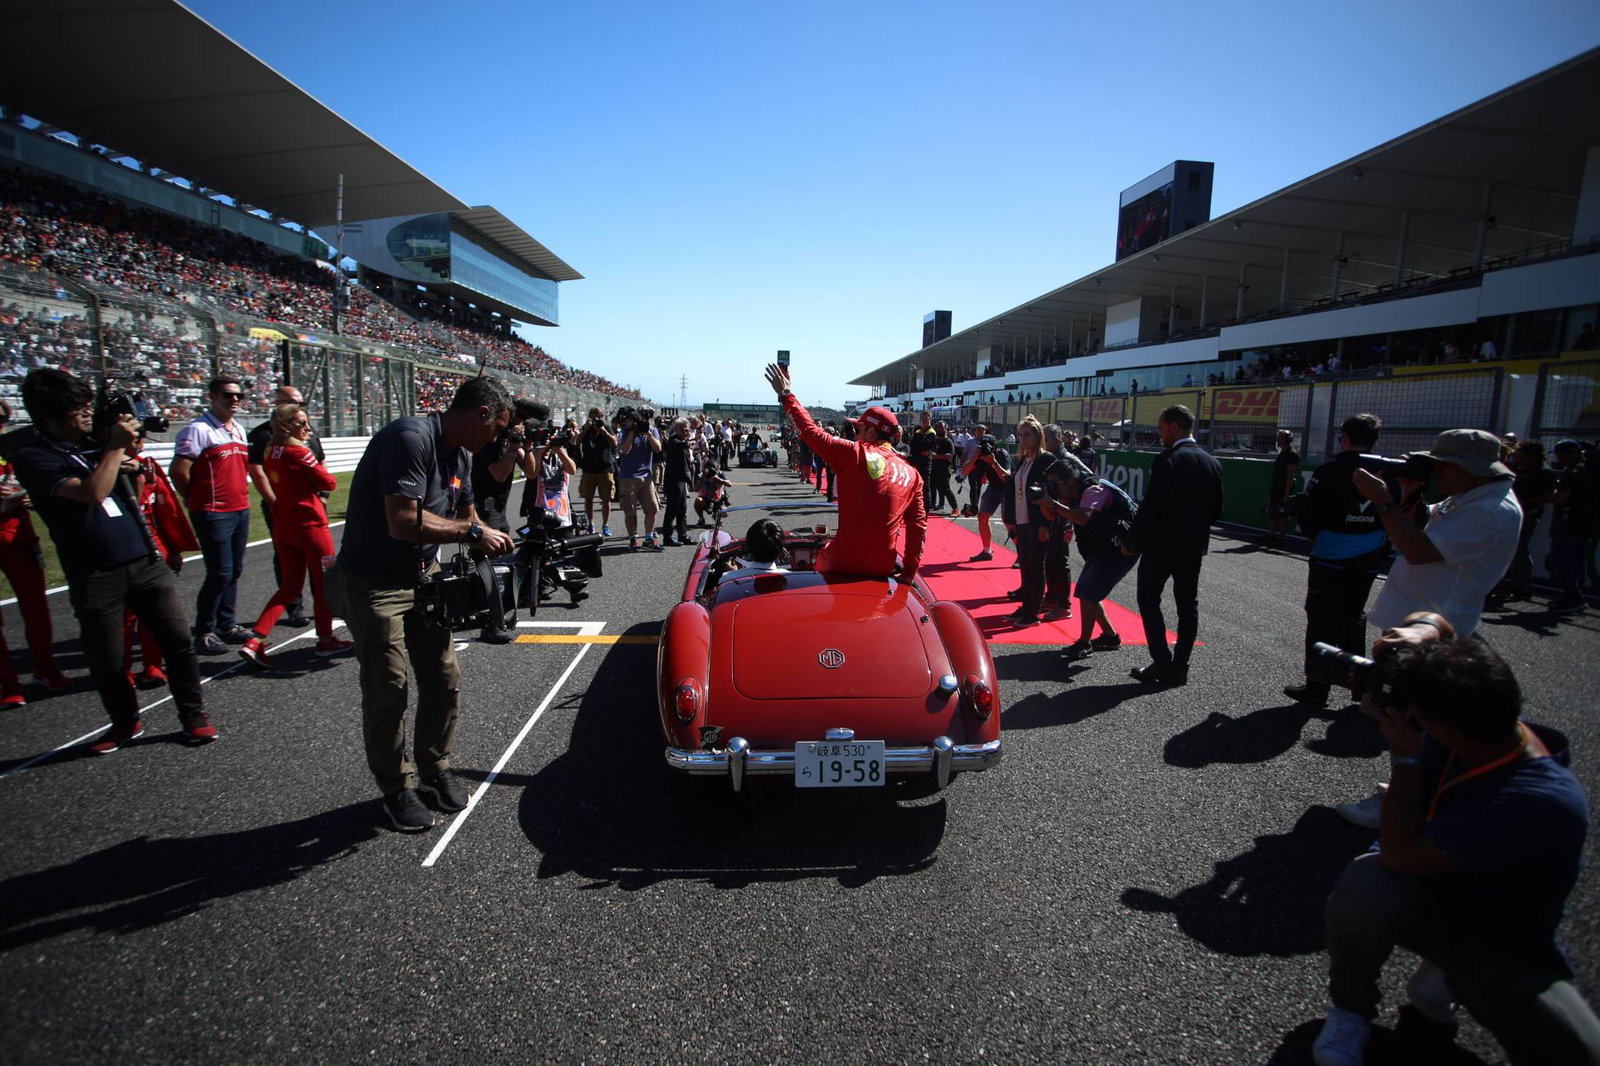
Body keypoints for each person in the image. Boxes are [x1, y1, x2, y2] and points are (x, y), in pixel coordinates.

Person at [1312, 617, 1600, 1066]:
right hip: (1436, 888)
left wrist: (1405, 755)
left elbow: (1401, 853)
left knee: (1577, 1051)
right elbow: (1435, 619)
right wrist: (1420, 631)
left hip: (1500, 934)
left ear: (1443, 727)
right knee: (1365, 883)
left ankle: (1445, 980)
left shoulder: (1536, 800)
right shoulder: (1481, 719)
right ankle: (1352, 1009)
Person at [326, 377, 516, 833]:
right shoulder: (410, 438)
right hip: (375, 580)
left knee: (443, 674)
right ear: (481, 414)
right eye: (496, 430)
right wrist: (471, 534)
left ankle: (434, 768)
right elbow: (403, 520)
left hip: (423, 576)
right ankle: (396, 786)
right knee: (388, 687)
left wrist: (484, 541)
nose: (496, 441)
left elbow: (466, 512)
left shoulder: (461, 456)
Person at [9, 368, 216, 752]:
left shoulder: (96, 443)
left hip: (142, 559)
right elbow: (93, 491)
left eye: (87, 405)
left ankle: (193, 714)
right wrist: (114, 448)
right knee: (107, 657)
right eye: (76, 409)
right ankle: (124, 722)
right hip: (93, 570)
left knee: (178, 641)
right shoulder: (33, 457)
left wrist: (123, 450)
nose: (86, 414)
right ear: (49, 416)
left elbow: (132, 474)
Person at [765, 363, 925, 581]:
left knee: (810, 568)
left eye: (859, 429)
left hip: (842, 560)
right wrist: (908, 573)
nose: (856, 434)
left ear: (871, 430)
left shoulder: (854, 452)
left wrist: (786, 395)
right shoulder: (913, 474)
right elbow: (917, 527)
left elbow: (809, 431)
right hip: (883, 566)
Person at [1356, 429, 1521, 640]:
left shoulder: (1490, 510)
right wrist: (1409, 491)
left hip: (1432, 629)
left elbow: (1418, 552)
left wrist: (1383, 500)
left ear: (1472, 468)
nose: (1435, 472)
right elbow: (1414, 528)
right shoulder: (1468, 497)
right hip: (1417, 618)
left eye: (1443, 466)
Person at [1284, 415, 1394, 706]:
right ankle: (1360, 687)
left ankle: (1317, 689)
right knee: (1353, 620)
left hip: (1331, 558)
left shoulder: (1331, 471)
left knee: (1321, 622)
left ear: (1344, 437)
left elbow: (1310, 516)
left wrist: (1316, 535)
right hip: (1369, 559)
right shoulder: (1388, 471)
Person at [238, 405, 351, 666]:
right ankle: (325, 639)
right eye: (302, 424)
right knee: (325, 584)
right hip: (310, 525)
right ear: (287, 425)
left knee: (289, 587)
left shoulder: (270, 450)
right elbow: (329, 483)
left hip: (284, 525)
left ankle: (255, 640)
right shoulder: (299, 451)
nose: (307, 428)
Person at [1124, 404, 1223, 686]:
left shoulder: (1168, 459)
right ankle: (1179, 667)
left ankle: (1162, 661)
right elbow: (1217, 510)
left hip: (1161, 546)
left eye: (1162, 427)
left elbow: (1150, 507)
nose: (1160, 433)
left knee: (1148, 599)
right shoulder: (1212, 462)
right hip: (1193, 546)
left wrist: (1131, 541)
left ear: (1175, 427)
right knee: (1187, 606)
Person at [171, 376, 252, 654]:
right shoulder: (197, 430)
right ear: (212, 397)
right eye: (228, 395)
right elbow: (179, 471)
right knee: (220, 573)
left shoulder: (238, 429)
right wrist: (193, 499)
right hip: (213, 512)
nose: (234, 400)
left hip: (239, 508)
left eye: (238, 396)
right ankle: (204, 631)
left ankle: (227, 624)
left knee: (235, 570)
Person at [0, 397, 70, 704]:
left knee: (36, 609)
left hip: (17, 534)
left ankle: (45, 668)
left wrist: (27, 495)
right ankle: (7, 683)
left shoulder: (15, 450)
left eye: (1, 419)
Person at [121, 429, 198, 689]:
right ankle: (123, 670)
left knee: (155, 614)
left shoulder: (148, 465)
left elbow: (165, 508)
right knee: (125, 617)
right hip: (122, 549)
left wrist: (174, 547)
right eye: (133, 438)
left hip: (155, 546)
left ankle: (153, 665)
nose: (138, 442)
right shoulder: (103, 466)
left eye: (140, 437)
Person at [246, 384, 321, 630]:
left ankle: (324, 612)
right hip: (284, 510)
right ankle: (297, 608)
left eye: (300, 404)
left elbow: (322, 462)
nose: (297, 409)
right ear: (277, 404)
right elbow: (257, 471)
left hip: (310, 507)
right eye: (291, 403)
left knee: (318, 565)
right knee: (291, 562)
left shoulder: (309, 432)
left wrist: (324, 497)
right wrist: (275, 502)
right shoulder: (262, 435)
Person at [1051, 461, 1139, 661]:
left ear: (1071, 480)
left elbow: (1083, 517)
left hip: (1121, 549)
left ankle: (1084, 643)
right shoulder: (1076, 490)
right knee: (1089, 592)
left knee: (1087, 591)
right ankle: (1110, 636)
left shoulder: (1094, 490)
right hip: (1107, 547)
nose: (1054, 489)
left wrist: (1055, 505)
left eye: (1056, 484)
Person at [468, 409, 528, 645]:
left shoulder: (507, 441)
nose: (520, 427)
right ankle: (489, 622)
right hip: (485, 510)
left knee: (502, 567)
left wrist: (525, 444)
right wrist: (514, 446)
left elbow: (531, 470)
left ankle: (495, 617)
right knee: (490, 569)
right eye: (518, 423)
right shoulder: (491, 443)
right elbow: (500, 474)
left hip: (499, 510)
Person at [995, 416, 1059, 628]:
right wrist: (1011, 520)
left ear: (1038, 435)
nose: (1023, 439)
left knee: (1036, 566)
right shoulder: (1024, 459)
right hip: (1022, 521)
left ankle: (1033, 613)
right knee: (1026, 566)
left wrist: (1045, 524)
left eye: (1028, 435)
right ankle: (1026, 607)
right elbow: (1014, 489)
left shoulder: (1047, 460)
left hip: (1038, 521)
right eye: (1021, 435)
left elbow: (1053, 494)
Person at [1493, 440, 1558, 602]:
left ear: (1530, 455)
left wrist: (1523, 502)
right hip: (1513, 512)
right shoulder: (1519, 468)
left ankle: (1523, 587)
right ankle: (1511, 582)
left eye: (1520, 453)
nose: (1517, 455)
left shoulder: (1544, 472)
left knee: (1520, 548)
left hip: (1529, 513)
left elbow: (1549, 496)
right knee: (1508, 547)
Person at [1547, 440, 1595, 612]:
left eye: (1560, 454)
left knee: (1562, 559)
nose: (1558, 458)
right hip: (1587, 521)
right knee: (1578, 559)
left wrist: (1551, 493)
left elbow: (1561, 498)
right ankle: (1576, 594)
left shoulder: (1570, 473)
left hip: (1569, 521)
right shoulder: (1590, 470)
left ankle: (1572, 596)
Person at [616, 409, 662, 551]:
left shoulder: (652, 430)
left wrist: (648, 434)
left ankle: (648, 538)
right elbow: (624, 450)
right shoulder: (626, 431)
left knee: (652, 508)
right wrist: (632, 432)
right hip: (628, 477)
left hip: (646, 477)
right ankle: (632, 539)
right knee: (630, 511)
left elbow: (658, 448)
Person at [962, 434, 1011, 562]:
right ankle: (986, 551)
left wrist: (993, 463)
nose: (986, 449)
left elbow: (1007, 477)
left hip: (1007, 488)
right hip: (993, 487)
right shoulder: (981, 455)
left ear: (995, 447)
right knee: (982, 516)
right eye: (982, 446)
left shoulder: (1002, 454)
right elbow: (965, 471)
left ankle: (1022, 556)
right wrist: (975, 457)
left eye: (988, 446)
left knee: (1008, 521)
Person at [575, 407, 616, 537]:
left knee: (606, 499)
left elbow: (615, 442)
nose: (598, 420)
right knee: (588, 499)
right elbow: (576, 442)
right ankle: (591, 524)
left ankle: (605, 524)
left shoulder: (607, 427)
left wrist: (603, 431)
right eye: (595, 417)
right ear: (590, 417)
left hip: (605, 468)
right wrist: (586, 428)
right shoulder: (585, 429)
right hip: (589, 469)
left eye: (600, 417)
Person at [660, 417, 694, 546]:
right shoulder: (674, 440)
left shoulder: (681, 440)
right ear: (677, 429)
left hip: (681, 480)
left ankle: (682, 535)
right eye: (684, 430)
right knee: (672, 510)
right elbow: (677, 445)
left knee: (682, 510)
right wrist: (689, 443)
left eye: (688, 430)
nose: (686, 432)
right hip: (674, 481)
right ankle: (667, 537)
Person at [1265, 429, 1300, 544]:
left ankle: (1282, 536)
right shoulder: (1282, 453)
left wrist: (1286, 494)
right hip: (1277, 486)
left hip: (1284, 488)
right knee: (1274, 510)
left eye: (1280, 438)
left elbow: (1290, 475)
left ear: (1286, 440)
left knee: (1284, 511)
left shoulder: (1291, 454)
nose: (1277, 440)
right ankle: (1271, 534)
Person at [927, 421, 960, 516]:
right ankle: (932, 505)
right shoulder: (935, 441)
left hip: (944, 469)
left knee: (945, 489)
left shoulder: (948, 441)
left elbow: (950, 455)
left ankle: (955, 508)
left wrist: (936, 456)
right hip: (933, 468)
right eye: (938, 427)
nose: (940, 429)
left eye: (942, 428)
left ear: (946, 429)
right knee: (932, 487)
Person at [694, 461, 732, 527]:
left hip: (718, 500)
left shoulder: (720, 474)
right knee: (698, 500)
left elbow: (729, 484)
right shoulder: (701, 475)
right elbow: (696, 489)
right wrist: (703, 478)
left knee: (725, 513)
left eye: (714, 469)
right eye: (710, 469)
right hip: (705, 499)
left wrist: (719, 479)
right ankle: (701, 519)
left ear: (717, 468)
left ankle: (716, 516)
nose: (712, 471)